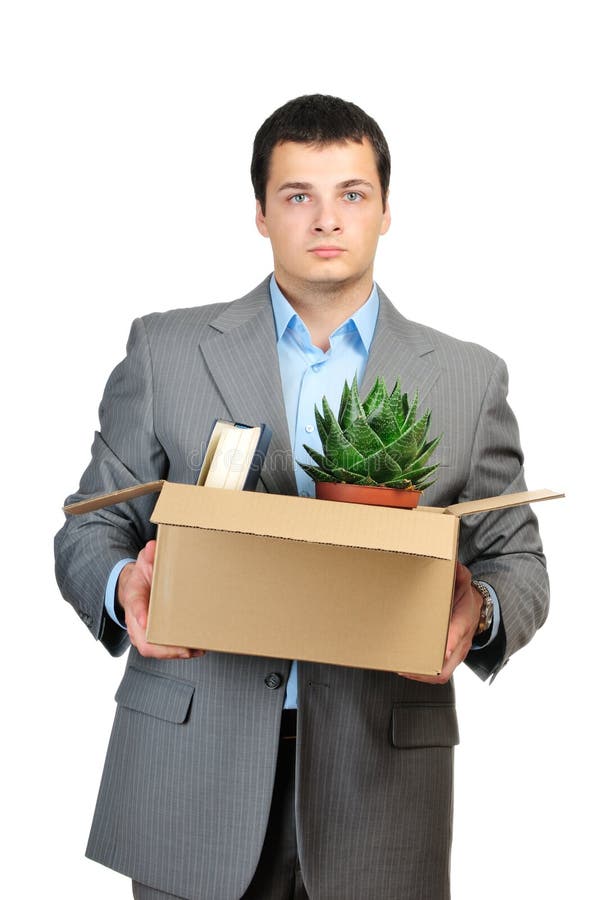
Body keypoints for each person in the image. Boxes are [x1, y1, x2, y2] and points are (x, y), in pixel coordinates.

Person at [54, 94, 549, 900]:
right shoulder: (166, 351)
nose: (327, 220)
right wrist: (124, 587)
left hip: (378, 785)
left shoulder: (467, 379)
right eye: (298, 197)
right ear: (260, 214)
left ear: (386, 210)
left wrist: (481, 609)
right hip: (193, 769)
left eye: (351, 194)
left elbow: (517, 558)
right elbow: (90, 527)